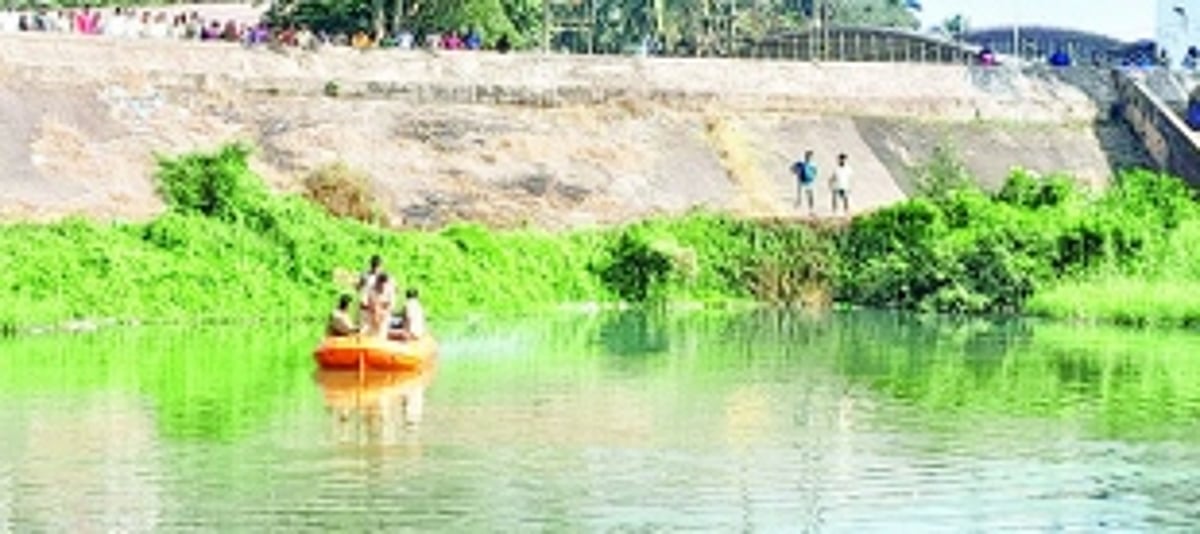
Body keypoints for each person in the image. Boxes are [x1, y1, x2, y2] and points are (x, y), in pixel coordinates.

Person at [364, 273, 396, 339]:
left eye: (383, 285)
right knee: (371, 335)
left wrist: (382, 314)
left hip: (384, 317)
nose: (381, 287)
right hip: (372, 317)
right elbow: (368, 303)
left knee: (381, 335)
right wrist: (374, 312)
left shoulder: (389, 291)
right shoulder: (371, 290)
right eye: (379, 284)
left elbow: (390, 306)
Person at [356, 255, 383, 325]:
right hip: (366, 304)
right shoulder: (365, 275)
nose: (376, 267)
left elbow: (358, 288)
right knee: (365, 325)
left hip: (375, 306)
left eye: (377, 265)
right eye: (375, 265)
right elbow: (358, 288)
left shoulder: (382, 276)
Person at [791, 150, 818, 215]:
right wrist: (797, 171)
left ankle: (811, 211)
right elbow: (792, 169)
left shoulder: (813, 165)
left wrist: (812, 177)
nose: (809, 157)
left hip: (810, 183)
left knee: (811, 197)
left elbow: (815, 173)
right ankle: (795, 209)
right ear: (805, 156)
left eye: (810, 156)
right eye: (807, 156)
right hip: (802, 183)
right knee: (800, 198)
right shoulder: (800, 164)